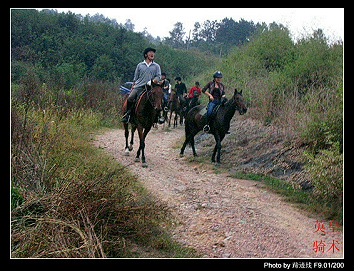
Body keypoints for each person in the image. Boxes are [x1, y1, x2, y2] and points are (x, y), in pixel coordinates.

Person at [121, 47, 161, 123]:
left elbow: (158, 76)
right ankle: (127, 114)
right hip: (139, 86)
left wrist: (152, 81)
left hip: (151, 87)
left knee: (158, 98)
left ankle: (158, 116)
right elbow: (135, 78)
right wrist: (133, 87)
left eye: (153, 52)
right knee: (130, 98)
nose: (152, 54)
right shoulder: (140, 65)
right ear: (146, 55)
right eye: (150, 52)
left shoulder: (156, 66)